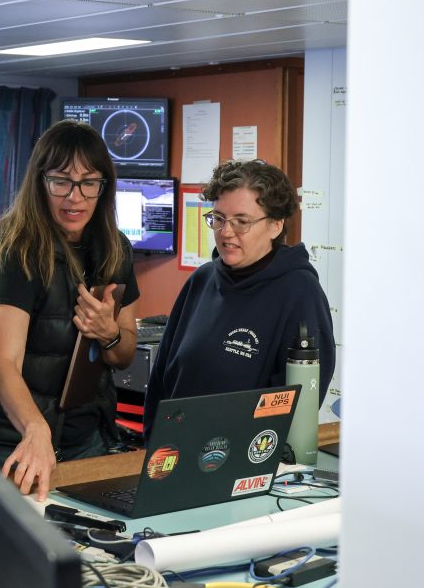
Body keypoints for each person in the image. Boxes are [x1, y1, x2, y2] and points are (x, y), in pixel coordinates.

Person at [0, 120, 140, 501]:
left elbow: (123, 355)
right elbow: (3, 364)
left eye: (89, 183)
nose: (75, 197)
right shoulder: (17, 249)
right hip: (9, 438)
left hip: (84, 435)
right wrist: (35, 430)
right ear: (40, 183)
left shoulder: (115, 248)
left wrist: (109, 333)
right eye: (61, 181)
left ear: (103, 187)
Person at [143, 159, 335, 436]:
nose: (226, 232)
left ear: (276, 225)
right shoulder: (202, 280)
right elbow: (162, 378)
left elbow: (298, 407)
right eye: (218, 218)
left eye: (241, 222)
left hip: (243, 468)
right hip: (172, 457)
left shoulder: (300, 293)